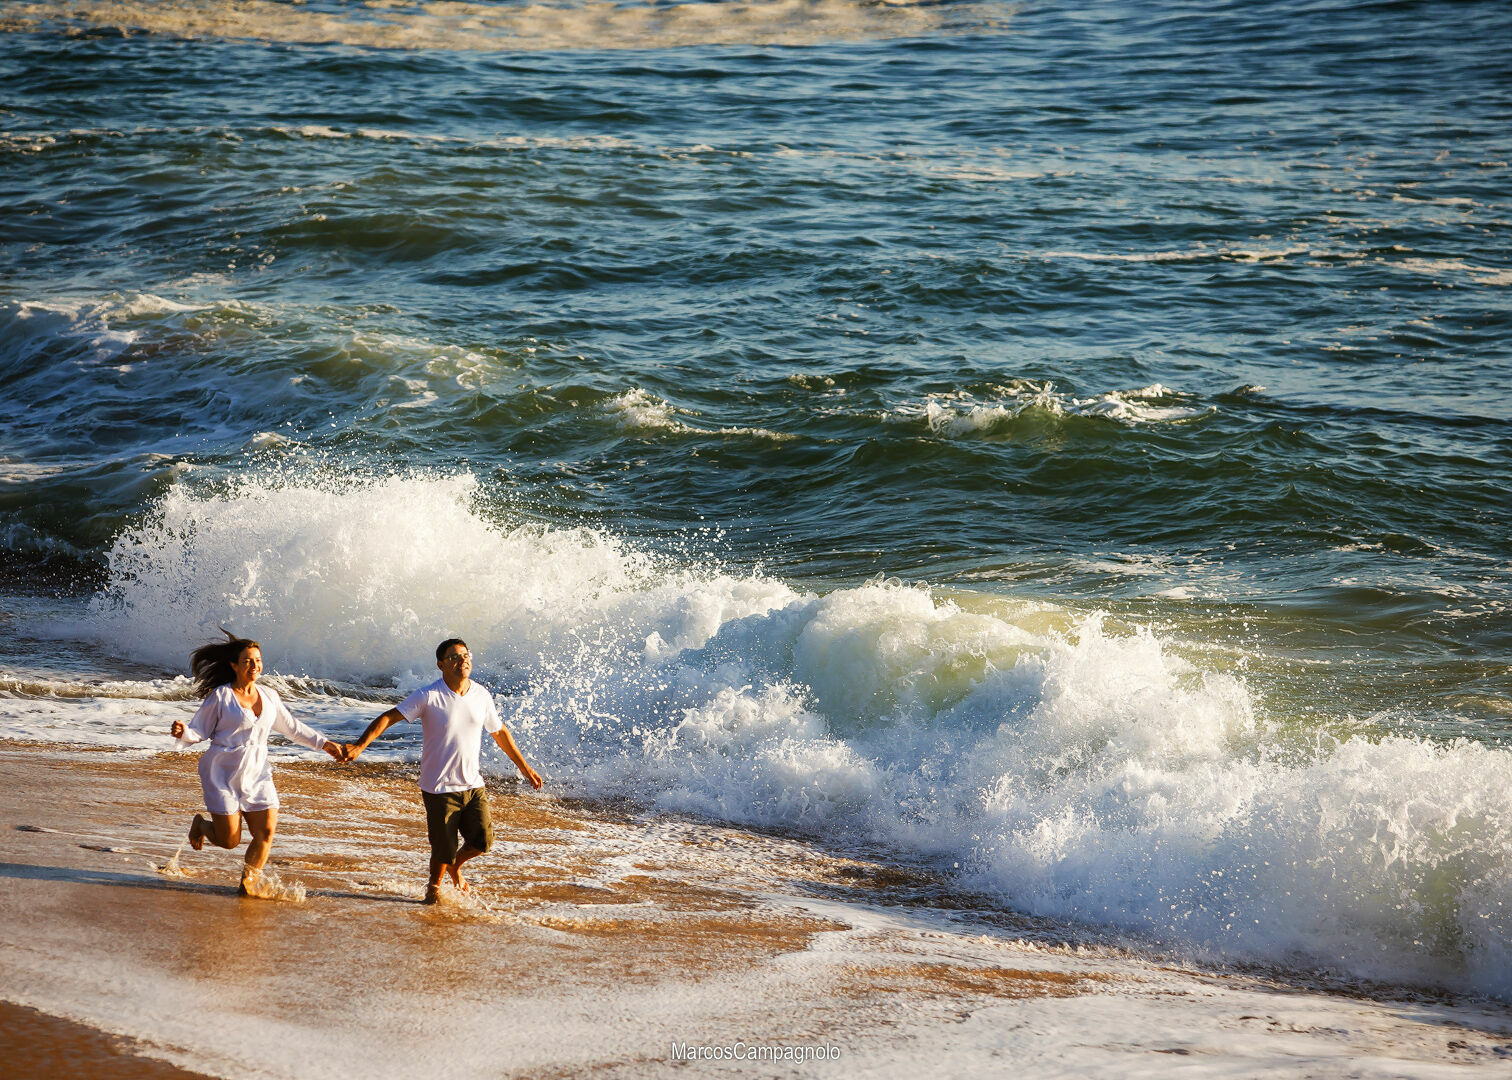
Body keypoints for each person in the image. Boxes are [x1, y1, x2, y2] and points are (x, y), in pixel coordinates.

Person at [345, 638, 543, 904]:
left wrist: (525, 768)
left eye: (465, 655)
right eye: (454, 657)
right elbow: (388, 717)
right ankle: (433, 889)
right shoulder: (429, 696)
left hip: (473, 785)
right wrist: (359, 746)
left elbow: (500, 732)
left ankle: (455, 866)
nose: (462, 660)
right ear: (441, 665)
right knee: (443, 850)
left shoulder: (481, 694)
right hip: (439, 788)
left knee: (484, 841)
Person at [170, 631, 345, 897]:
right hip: (222, 771)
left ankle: (247, 885)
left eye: (258, 661)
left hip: (257, 770)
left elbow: (293, 728)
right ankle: (203, 826)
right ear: (234, 665)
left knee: (265, 832)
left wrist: (325, 744)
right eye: (248, 661)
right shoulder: (221, 696)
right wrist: (183, 732)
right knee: (229, 840)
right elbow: (199, 731)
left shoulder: (269, 696)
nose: (255, 666)